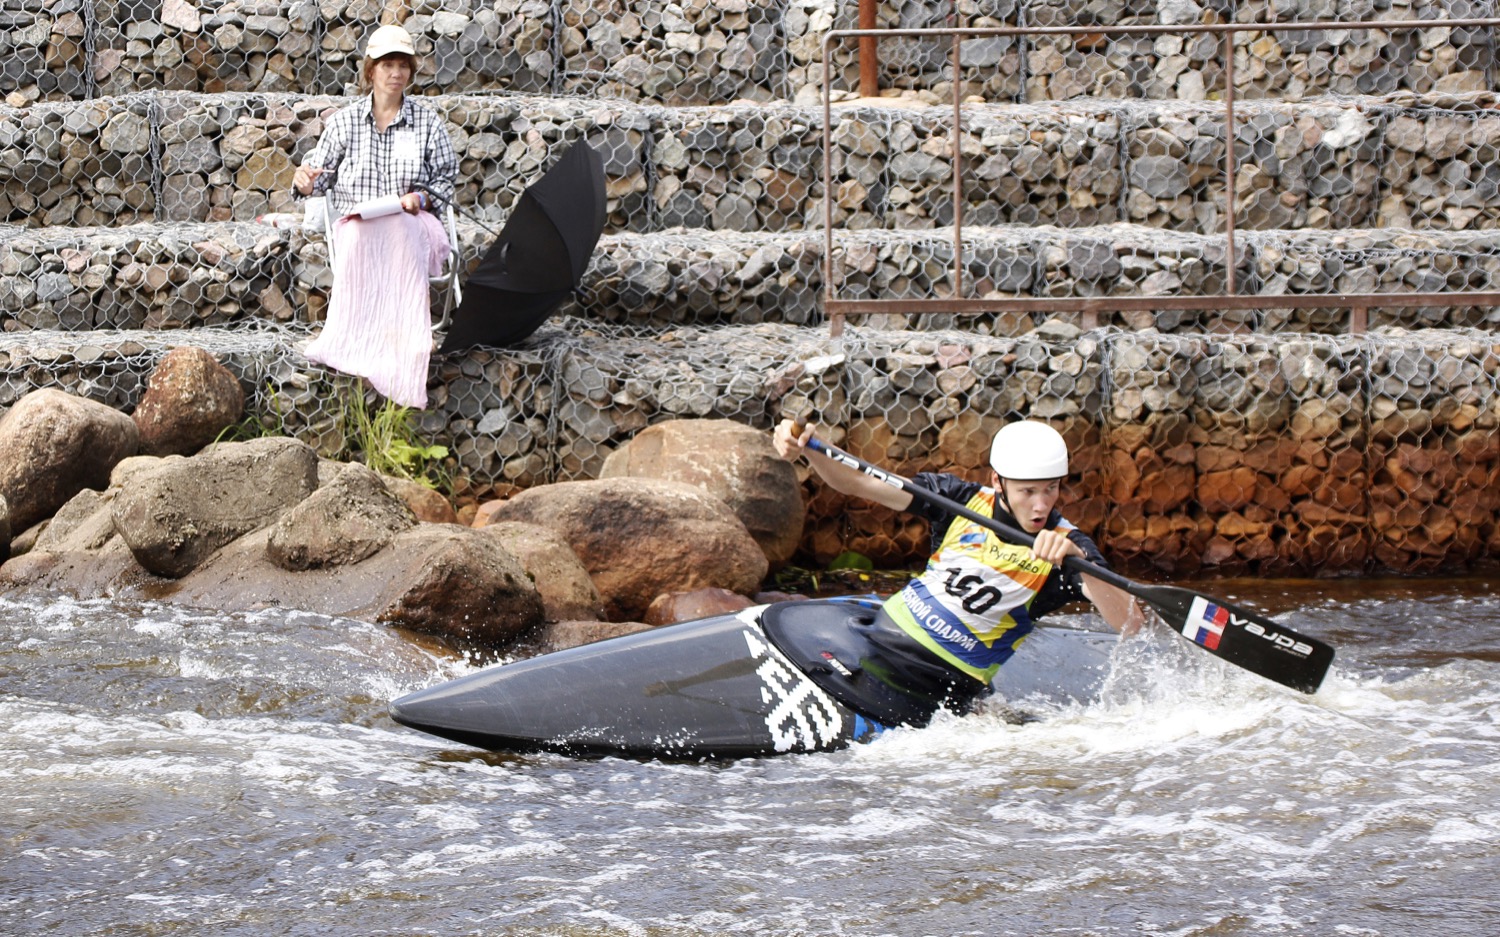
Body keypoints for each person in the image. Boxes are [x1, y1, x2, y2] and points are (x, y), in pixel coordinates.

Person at [772, 417, 1144, 721]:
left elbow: (1131, 623)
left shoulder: (1069, 548)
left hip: (939, 684)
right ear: (998, 482)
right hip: (875, 642)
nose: (1041, 505)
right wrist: (810, 446)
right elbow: (856, 480)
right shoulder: (958, 499)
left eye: (1051, 489)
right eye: (1028, 491)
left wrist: (1083, 566)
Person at [292, 23, 460, 410]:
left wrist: (420, 197)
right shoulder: (344, 122)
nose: (396, 73)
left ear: (411, 72)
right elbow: (320, 179)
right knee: (358, 234)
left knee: (400, 227)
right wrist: (305, 182)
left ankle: (407, 340)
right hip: (361, 221)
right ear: (370, 70)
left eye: (403, 65)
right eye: (387, 65)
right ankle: (359, 340)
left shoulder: (427, 123)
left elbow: (445, 179)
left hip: (410, 218)